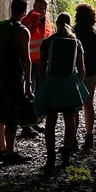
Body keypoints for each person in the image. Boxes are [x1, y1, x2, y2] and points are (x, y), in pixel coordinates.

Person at [37, 14, 87, 173]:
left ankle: (50, 157)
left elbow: (42, 68)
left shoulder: (47, 42)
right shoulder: (76, 43)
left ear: (56, 24)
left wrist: (42, 85)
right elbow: (82, 68)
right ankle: (66, 154)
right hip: (69, 83)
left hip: (52, 82)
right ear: (70, 24)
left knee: (50, 120)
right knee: (69, 119)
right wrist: (77, 83)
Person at [0, 0, 34, 164]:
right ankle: (10, 153)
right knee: (11, 115)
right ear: (24, 12)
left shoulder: (0, 28)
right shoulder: (22, 31)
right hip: (14, 77)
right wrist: (28, 84)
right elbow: (27, 59)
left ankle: (1, 149)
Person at [19, 0, 55, 138]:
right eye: (40, 8)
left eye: (45, 8)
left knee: (39, 93)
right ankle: (26, 126)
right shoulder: (27, 21)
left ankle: (34, 122)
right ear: (34, 7)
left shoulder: (46, 22)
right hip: (30, 63)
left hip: (42, 63)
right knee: (29, 93)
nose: (43, 11)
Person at [73, 3, 96, 150]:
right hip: (92, 72)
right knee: (88, 104)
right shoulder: (95, 33)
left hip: (76, 72)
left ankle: (73, 138)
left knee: (75, 105)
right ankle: (89, 135)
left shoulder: (73, 31)